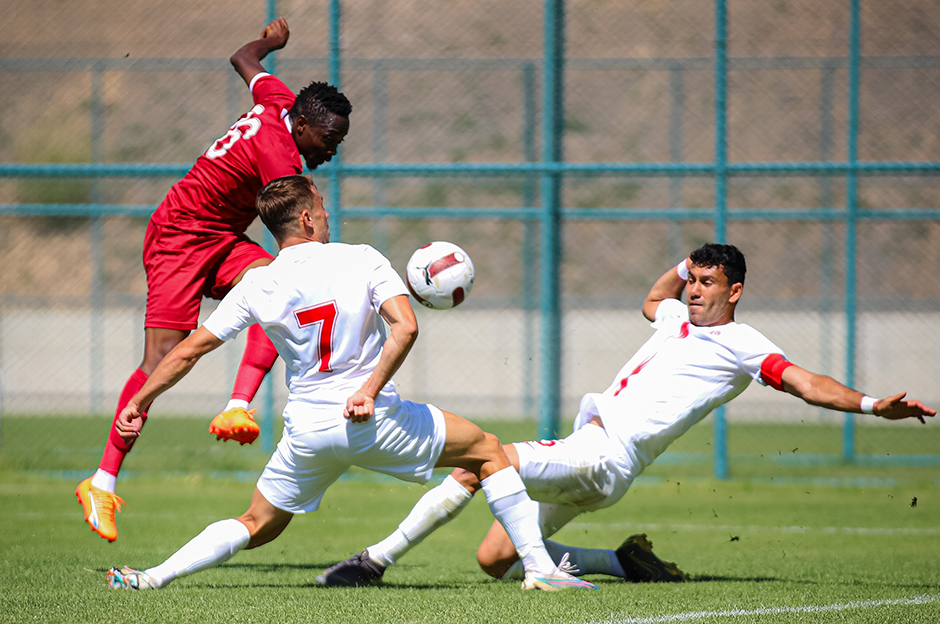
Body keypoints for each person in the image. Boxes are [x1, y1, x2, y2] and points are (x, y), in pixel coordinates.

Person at [316, 242, 936, 586]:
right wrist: (680, 261)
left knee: (482, 457)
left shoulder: (744, 343)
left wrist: (870, 404)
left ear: (735, 291)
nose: (694, 291)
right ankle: (623, 562)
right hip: (592, 457)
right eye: (693, 279)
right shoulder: (675, 314)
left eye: (708, 282)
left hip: (604, 456)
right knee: (494, 561)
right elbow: (653, 298)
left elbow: (804, 383)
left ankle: (375, 560)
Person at [105, 175, 598, 592]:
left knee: (257, 524)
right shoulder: (361, 257)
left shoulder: (257, 284)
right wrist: (367, 390)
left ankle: (151, 577)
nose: (325, 210)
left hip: (308, 431)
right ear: (304, 219)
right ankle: (539, 568)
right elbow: (406, 327)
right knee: (489, 450)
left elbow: (188, 348)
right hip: (372, 419)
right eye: (319, 204)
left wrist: (140, 401)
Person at [75, 18, 353, 543]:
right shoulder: (281, 159)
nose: (333, 148)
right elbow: (295, 229)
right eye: (330, 138)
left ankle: (236, 405)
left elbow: (243, 60)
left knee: (276, 288)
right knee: (161, 361)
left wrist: (269, 45)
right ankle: (102, 481)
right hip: (179, 236)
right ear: (304, 125)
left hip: (221, 236)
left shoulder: (279, 99)